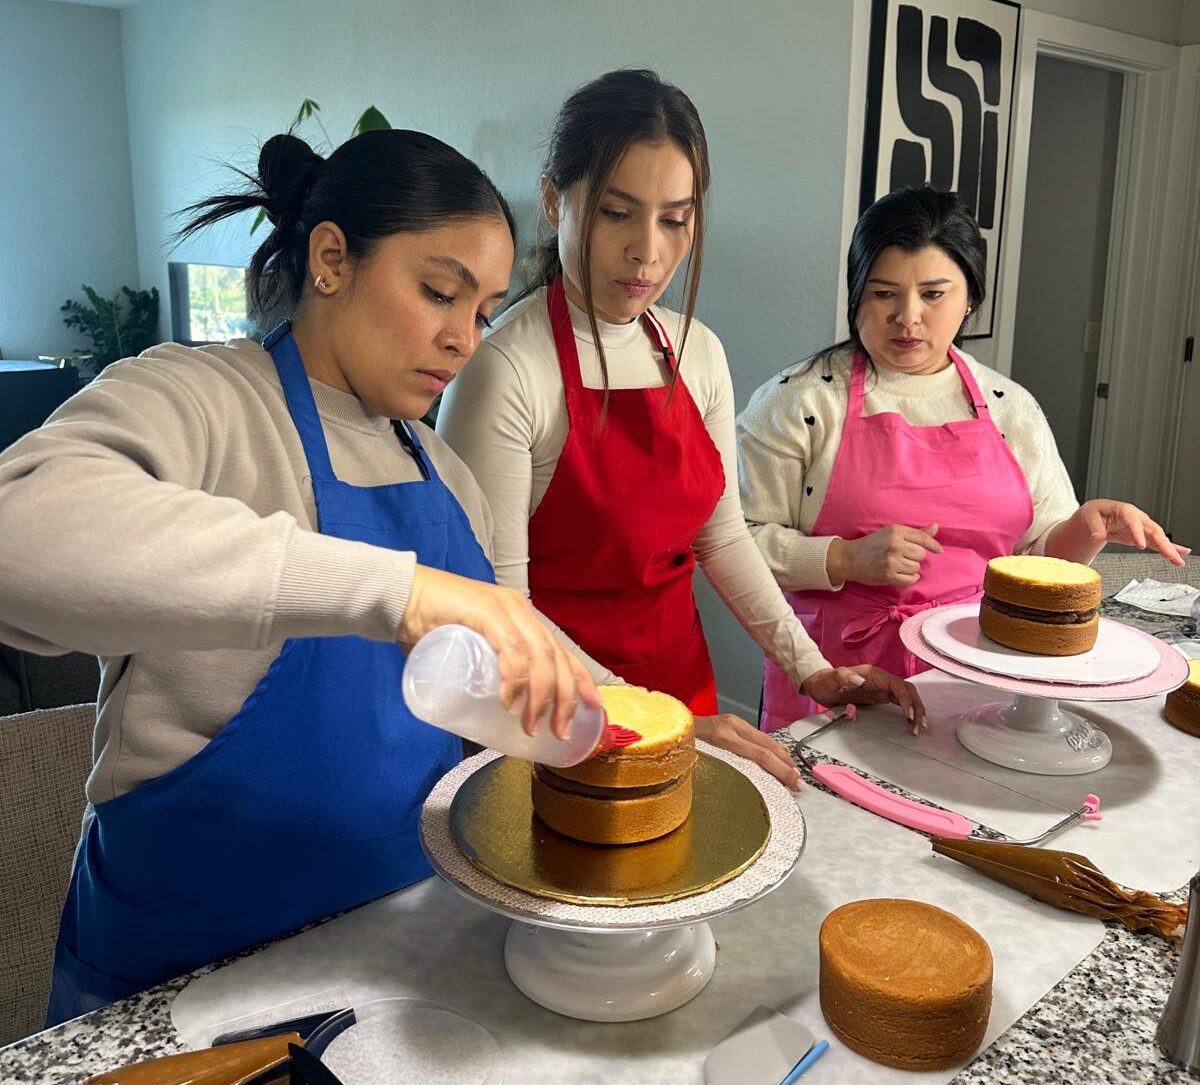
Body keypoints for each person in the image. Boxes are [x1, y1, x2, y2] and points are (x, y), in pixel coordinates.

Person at [0, 128, 600, 1023]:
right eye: (439, 291)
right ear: (331, 258)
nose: (463, 338)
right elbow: (21, 535)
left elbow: (518, 657)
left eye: (480, 311)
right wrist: (393, 592)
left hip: (390, 962)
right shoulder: (200, 400)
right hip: (175, 985)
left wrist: (655, 723)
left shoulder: (446, 473)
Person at [438, 69, 924, 787]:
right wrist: (645, 716)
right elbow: (501, 610)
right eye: (616, 213)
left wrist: (814, 669)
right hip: (552, 712)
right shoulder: (506, 371)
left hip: (683, 692)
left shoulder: (696, 351)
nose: (648, 252)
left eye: (675, 218)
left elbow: (719, 533)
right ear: (553, 199)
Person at [738, 185, 1189, 731]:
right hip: (838, 673)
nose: (908, 318)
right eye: (884, 294)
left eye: (933, 294)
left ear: (969, 298)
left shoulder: (1010, 409)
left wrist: (1087, 528)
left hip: (975, 672)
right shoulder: (799, 402)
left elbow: (1036, 556)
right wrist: (845, 559)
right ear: (857, 293)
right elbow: (735, 543)